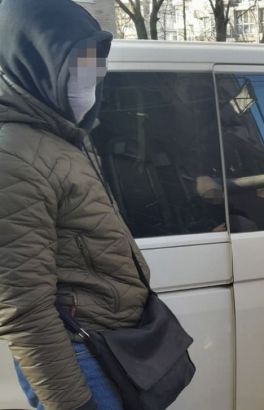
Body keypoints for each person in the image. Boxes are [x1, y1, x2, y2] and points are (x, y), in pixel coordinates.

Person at [0, 0, 150, 409]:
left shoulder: (59, 135)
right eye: (78, 63)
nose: (92, 76)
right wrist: (74, 404)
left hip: (111, 343)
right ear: (34, 61)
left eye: (96, 62)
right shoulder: (12, 154)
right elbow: (23, 309)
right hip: (80, 358)